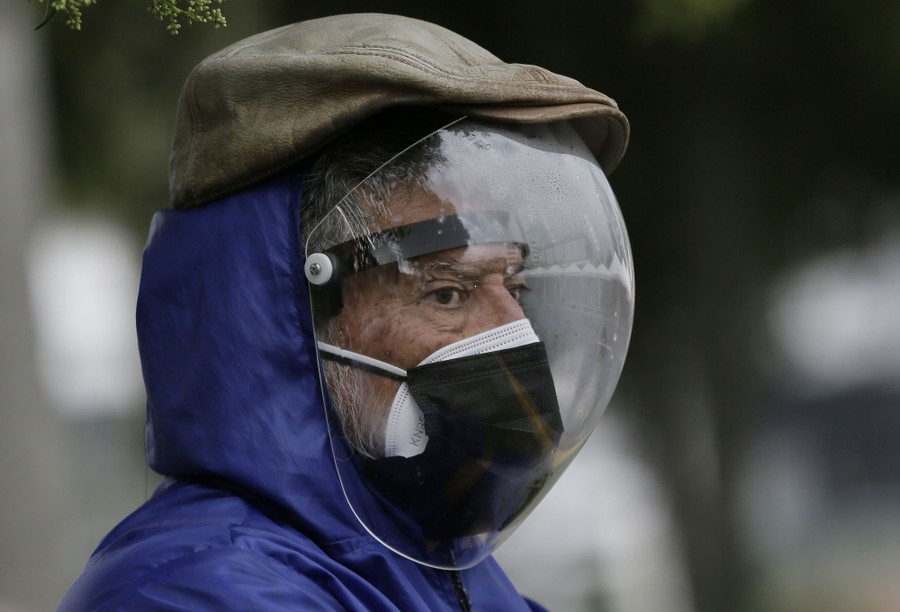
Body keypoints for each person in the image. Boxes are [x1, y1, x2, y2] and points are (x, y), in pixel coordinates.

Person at [60, 13, 634, 611]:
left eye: (514, 285)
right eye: (447, 294)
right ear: (288, 317)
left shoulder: (443, 572)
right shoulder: (195, 591)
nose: (515, 332)